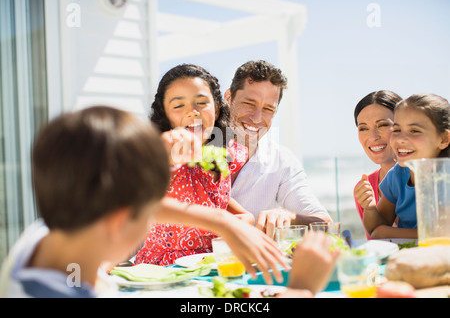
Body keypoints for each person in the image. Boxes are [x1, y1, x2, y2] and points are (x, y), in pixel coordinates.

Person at [0, 106, 289, 298]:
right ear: (120, 220)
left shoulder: (45, 237)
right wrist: (299, 291)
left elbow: (126, 203)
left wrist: (220, 219)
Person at [135, 64, 254, 266]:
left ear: (216, 108)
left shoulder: (221, 155)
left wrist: (245, 217)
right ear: (165, 114)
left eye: (201, 102)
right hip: (166, 269)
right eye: (178, 106)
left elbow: (215, 200)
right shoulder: (160, 153)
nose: (192, 112)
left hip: (213, 264)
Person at [225, 60, 331, 237]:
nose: (257, 118)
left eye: (268, 109)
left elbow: (326, 223)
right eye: (250, 104)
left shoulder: (281, 160)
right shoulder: (196, 147)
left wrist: (290, 216)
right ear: (229, 97)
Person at [362, 94, 450, 239]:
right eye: (396, 130)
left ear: (444, 139)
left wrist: (385, 232)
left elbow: (441, 235)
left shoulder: (446, 178)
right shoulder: (397, 175)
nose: (401, 139)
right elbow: (375, 228)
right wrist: (370, 208)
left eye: (414, 131)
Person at [353, 91, 402, 239]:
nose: (373, 137)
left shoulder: (426, 177)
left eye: (383, 125)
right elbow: (377, 246)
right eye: (363, 128)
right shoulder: (364, 189)